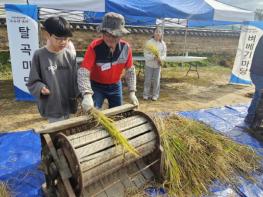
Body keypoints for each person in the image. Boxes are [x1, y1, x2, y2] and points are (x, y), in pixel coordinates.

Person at [78, 12, 139, 111]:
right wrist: (87, 94)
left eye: (115, 36)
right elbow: (83, 72)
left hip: (115, 85)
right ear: (102, 33)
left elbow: (130, 71)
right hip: (96, 86)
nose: (111, 38)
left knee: (117, 112)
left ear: (121, 35)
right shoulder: (95, 47)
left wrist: (132, 92)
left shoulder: (125, 48)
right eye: (107, 35)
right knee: (92, 112)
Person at [27, 16, 79, 123]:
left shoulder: (70, 55)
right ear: (47, 35)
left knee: (69, 129)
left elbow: (76, 79)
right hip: (52, 104)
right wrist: (41, 88)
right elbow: (33, 81)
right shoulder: (39, 55)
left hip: (69, 102)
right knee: (57, 132)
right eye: (58, 38)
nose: (63, 42)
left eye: (65, 39)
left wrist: (83, 95)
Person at [143, 26, 167, 101]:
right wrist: (153, 57)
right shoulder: (149, 42)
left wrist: (160, 58)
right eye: (156, 31)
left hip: (157, 65)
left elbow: (164, 54)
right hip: (149, 64)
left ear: (161, 34)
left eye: (159, 32)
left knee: (157, 80)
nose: (158, 33)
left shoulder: (163, 44)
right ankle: (146, 94)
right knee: (148, 80)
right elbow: (145, 54)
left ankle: (155, 95)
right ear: (153, 33)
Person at [244, 35, 263, 127]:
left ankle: (250, 117)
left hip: (258, 73)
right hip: (259, 74)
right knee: (260, 97)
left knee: (258, 96)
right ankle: (253, 120)